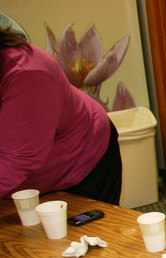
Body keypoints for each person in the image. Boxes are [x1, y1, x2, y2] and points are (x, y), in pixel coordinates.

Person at [0, 27, 122, 204]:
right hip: (28, 172)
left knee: (86, 229)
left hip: (81, 157)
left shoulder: (27, 75)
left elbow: (19, 159)